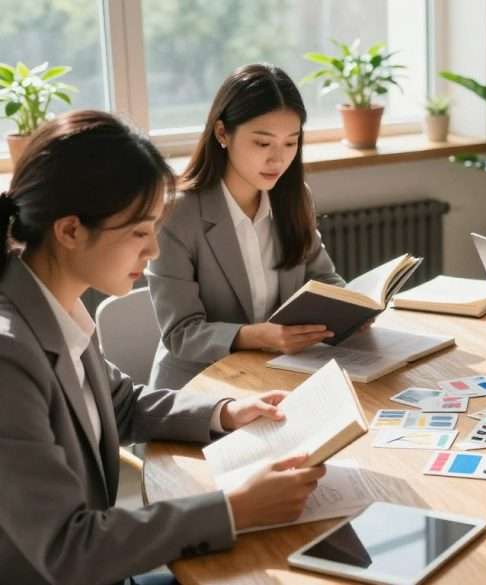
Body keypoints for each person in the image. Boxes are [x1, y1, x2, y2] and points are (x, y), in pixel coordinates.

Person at [0, 110, 327, 585]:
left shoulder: (55, 309)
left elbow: (122, 402)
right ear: (70, 231)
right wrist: (235, 508)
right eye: (139, 231)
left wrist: (226, 412)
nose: (153, 251)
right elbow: (67, 548)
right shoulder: (9, 358)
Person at [147, 63, 346, 389]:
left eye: (290, 142)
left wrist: (350, 311)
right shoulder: (177, 214)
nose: (278, 160)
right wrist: (257, 336)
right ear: (223, 133)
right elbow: (181, 333)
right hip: (197, 387)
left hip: (276, 376)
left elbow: (322, 276)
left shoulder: (294, 198)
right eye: (262, 143)